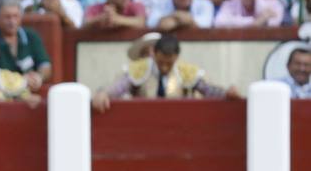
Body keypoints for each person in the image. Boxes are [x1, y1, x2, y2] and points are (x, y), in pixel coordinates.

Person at [92, 34, 235, 110]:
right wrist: (104, 93)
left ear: (177, 57)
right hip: (143, 124)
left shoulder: (185, 71)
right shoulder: (140, 68)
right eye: (160, 63)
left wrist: (226, 92)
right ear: (154, 53)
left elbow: (208, 89)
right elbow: (120, 86)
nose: (165, 67)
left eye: (169, 63)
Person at [0, 0, 50, 90]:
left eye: (16, 16)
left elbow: (45, 65)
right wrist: (20, 80)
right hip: (0, 93)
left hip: (30, 92)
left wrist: (38, 77)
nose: (12, 22)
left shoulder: (31, 35)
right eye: (7, 17)